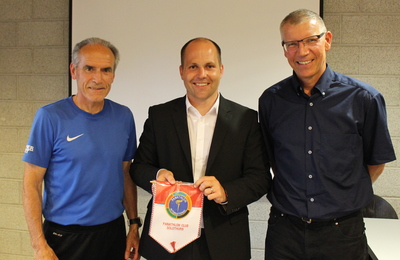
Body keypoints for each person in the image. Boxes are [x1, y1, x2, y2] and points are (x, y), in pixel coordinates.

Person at [259, 9, 396, 260]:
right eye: (292, 43)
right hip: (284, 232)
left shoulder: (364, 99)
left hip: (342, 233)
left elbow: (376, 163)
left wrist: (338, 196)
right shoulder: (271, 100)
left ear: (328, 40)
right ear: (284, 49)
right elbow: (274, 160)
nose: (302, 51)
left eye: (311, 40)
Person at [130, 37, 271, 260]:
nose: (201, 74)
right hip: (167, 237)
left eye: (209, 66)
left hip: (225, 240)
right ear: (181, 71)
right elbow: (139, 168)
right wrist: (158, 175)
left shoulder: (246, 120)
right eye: (193, 66)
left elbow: (260, 178)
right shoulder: (160, 116)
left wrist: (226, 192)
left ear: (221, 70)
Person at [22, 37, 140, 260]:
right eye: (89, 69)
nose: (98, 78)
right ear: (74, 71)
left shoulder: (124, 116)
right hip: (64, 237)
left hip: (112, 233)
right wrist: (39, 245)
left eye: (106, 70)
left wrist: (133, 224)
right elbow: (31, 183)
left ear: (113, 75)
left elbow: (126, 174)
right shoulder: (49, 117)